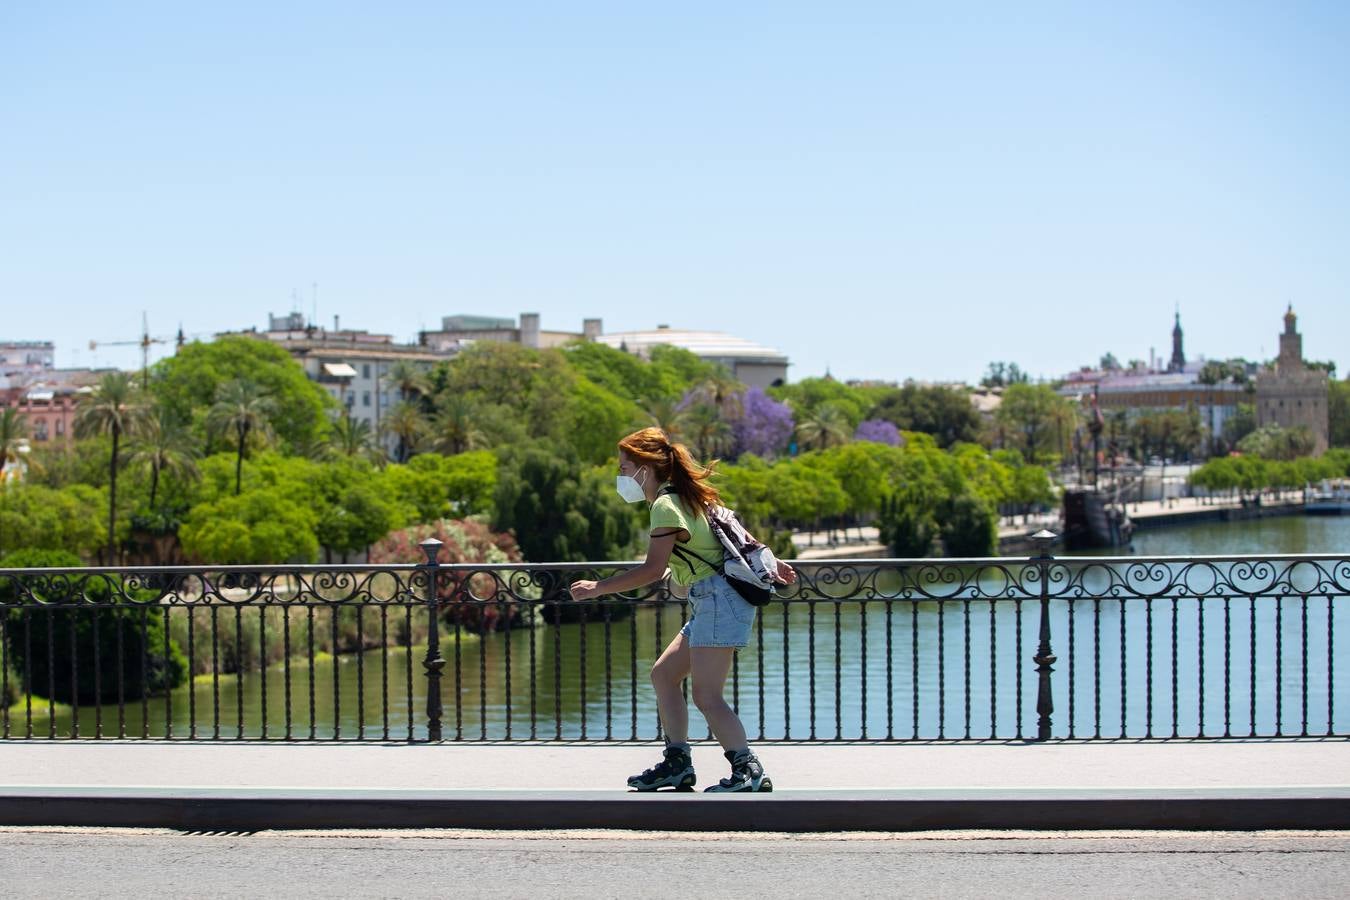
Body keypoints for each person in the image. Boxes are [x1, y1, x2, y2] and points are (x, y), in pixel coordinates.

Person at [569, 427, 796, 793]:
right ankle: (677, 764)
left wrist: (598, 587)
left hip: (718, 601)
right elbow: (723, 545)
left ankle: (748, 770)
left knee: (707, 695)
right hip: (713, 599)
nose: (621, 475)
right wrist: (774, 562)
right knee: (664, 675)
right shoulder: (690, 498)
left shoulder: (665, 505)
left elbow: (651, 570)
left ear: (646, 467)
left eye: (625, 467)